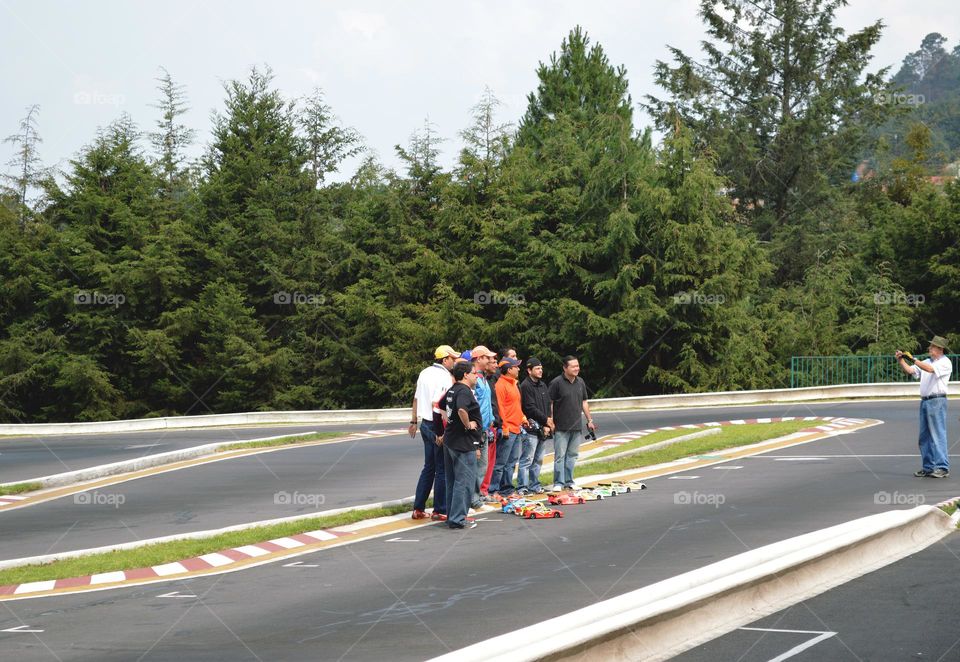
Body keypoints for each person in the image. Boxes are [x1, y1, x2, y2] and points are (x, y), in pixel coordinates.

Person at [409, 345, 459, 519]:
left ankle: (418, 508)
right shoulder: (444, 376)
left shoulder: (424, 372)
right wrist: (441, 431)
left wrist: (413, 421)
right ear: (444, 360)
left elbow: (415, 399)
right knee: (442, 469)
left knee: (428, 467)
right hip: (436, 425)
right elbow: (437, 405)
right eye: (452, 358)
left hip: (424, 424)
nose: (454, 362)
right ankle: (440, 509)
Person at [897, 336, 952, 478]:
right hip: (925, 400)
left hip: (937, 400)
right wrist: (901, 360)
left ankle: (942, 467)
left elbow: (929, 369)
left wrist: (914, 359)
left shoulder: (945, 362)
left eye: (933, 346)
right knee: (924, 436)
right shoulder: (927, 361)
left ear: (940, 349)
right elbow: (911, 371)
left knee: (938, 434)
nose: (930, 348)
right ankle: (928, 467)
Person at [442, 361, 483, 529]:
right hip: (463, 442)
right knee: (464, 482)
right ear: (466, 375)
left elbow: (439, 406)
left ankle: (452, 516)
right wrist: (468, 425)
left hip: (451, 440)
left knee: (452, 481)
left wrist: (450, 422)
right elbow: (461, 410)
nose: (476, 376)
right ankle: (458, 518)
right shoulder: (464, 391)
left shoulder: (452, 389)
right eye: (474, 373)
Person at [547, 355, 596, 491]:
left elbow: (584, 402)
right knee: (560, 456)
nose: (577, 368)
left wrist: (589, 420)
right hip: (561, 427)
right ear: (565, 368)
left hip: (576, 426)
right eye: (573, 366)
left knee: (572, 455)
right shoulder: (556, 383)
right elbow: (550, 403)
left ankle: (569, 481)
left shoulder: (580, 382)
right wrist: (550, 421)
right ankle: (558, 483)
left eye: (577, 366)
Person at [491, 356, 527, 496]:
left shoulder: (513, 383)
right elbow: (500, 408)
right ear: (509, 369)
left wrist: (522, 417)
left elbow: (515, 405)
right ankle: (493, 490)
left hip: (517, 427)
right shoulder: (500, 385)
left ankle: (507, 489)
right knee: (501, 463)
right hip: (508, 429)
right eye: (515, 366)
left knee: (511, 462)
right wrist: (504, 426)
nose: (518, 368)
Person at [469, 346, 496, 508]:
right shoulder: (474, 379)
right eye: (487, 357)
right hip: (476, 430)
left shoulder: (483, 378)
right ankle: (472, 499)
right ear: (479, 359)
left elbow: (486, 403)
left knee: (483, 466)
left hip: (485, 429)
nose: (490, 361)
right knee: (476, 465)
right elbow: (473, 404)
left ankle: (476, 497)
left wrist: (491, 418)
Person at [519, 357, 552, 494]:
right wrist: (546, 420)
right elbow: (529, 408)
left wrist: (548, 422)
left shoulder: (543, 385)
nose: (540, 371)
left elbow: (547, 405)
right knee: (527, 459)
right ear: (529, 370)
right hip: (531, 428)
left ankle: (535, 485)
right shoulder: (525, 386)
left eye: (541, 368)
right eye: (537, 368)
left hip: (543, 427)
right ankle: (523, 487)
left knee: (538, 459)